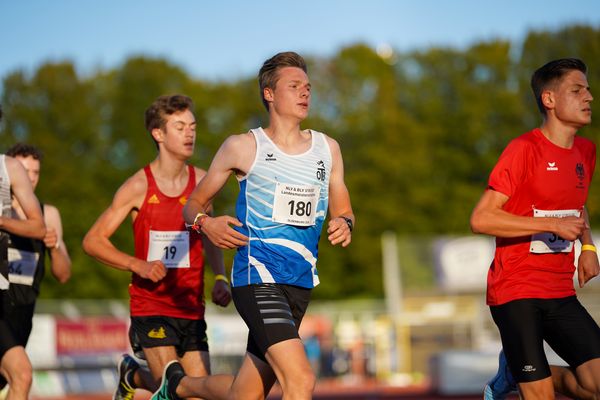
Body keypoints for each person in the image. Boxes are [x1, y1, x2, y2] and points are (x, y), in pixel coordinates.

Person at [150, 51, 355, 400]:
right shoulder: (244, 147)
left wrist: (344, 222)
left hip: (300, 281)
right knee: (300, 380)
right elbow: (193, 205)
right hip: (257, 277)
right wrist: (206, 224)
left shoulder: (328, 149)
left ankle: (177, 386)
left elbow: (344, 207)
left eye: (308, 87)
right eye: (294, 86)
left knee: (243, 394)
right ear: (269, 94)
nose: (305, 93)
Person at [82, 94, 232, 400]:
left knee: (195, 393)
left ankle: (133, 375)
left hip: (191, 306)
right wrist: (137, 265)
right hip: (151, 306)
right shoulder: (138, 185)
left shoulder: (202, 182)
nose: (189, 132)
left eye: (192, 126)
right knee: (176, 389)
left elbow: (208, 234)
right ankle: (138, 374)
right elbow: (93, 241)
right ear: (158, 134)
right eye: (179, 127)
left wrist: (220, 277)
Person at [471, 58, 600, 400]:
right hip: (516, 291)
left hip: (560, 291)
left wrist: (588, 247)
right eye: (577, 90)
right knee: (539, 396)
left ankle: (513, 371)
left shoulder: (586, 151)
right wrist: (551, 224)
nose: (589, 96)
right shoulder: (523, 150)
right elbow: (481, 218)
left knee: (595, 386)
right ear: (549, 100)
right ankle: (521, 374)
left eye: (588, 89)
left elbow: (576, 204)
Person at [0, 144, 71, 398]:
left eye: (35, 173)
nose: (29, 178)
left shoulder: (48, 215)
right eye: (23, 170)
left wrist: (55, 248)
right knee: (22, 375)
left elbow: (63, 275)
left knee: (13, 379)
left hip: (23, 313)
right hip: (1, 308)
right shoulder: (2, 208)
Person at [0, 109, 47, 400]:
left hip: (6, 294)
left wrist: (1, 221)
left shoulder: (8, 169)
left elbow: (39, 225)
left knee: (19, 375)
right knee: (21, 373)